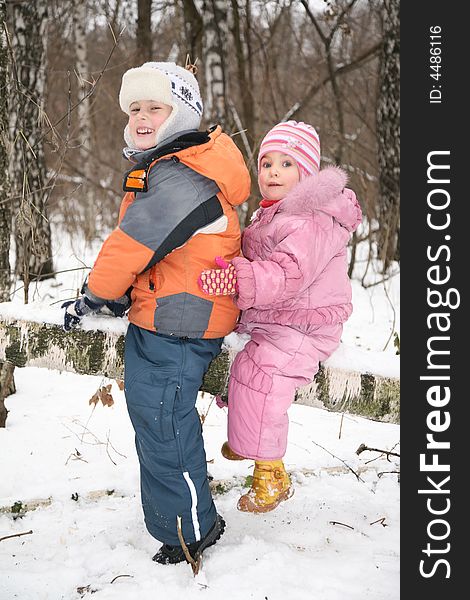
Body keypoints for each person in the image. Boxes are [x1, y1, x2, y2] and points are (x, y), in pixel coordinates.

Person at [62, 61, 251, 563]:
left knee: (163, 421)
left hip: (183, 324)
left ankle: (192, 530)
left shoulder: (186, 178)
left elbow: (131, 245)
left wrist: (96, 295)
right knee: (154, 419)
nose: (142, 117)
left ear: (182, 114)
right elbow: (156, 253)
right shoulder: (171, 168)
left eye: (155, 107)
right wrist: (123, 294)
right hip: (166, 316)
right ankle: (180, 520)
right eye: (135, 108)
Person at [199, 120, 362, 513]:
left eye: (286, 164)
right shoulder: (275, 214)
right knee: (243, 364)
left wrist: (239, 276)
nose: (273, 172)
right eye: (267, 163)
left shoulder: (310, 220)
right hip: (280, 318)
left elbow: (287, 273)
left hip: (307, 325)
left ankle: (271, 472)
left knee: (265, 375)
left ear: (306, 173)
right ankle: (249, 439)